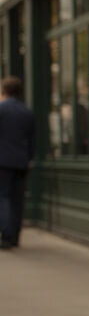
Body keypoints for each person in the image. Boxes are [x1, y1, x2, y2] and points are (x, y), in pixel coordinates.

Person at [0, 76, 35, 251]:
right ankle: (14, 236)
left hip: (3, 162)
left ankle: (5, 234)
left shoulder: (1, 109)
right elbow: (31, 141)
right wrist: (29, 159)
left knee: (3, 197)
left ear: (4, 91)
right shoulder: (27, 112)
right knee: (17, 199)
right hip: (21, 162)